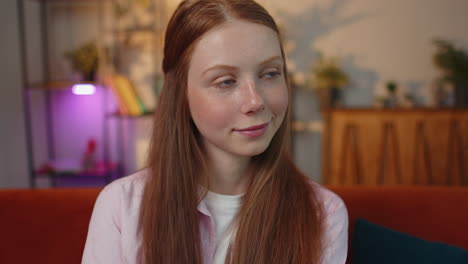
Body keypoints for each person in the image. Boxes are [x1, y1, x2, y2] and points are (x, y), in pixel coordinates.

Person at [82, 0, 348, 263]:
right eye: (226, 81)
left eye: (269, 74)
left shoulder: (323, 213)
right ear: (181, 94)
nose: (255, 101)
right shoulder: (122, 207)